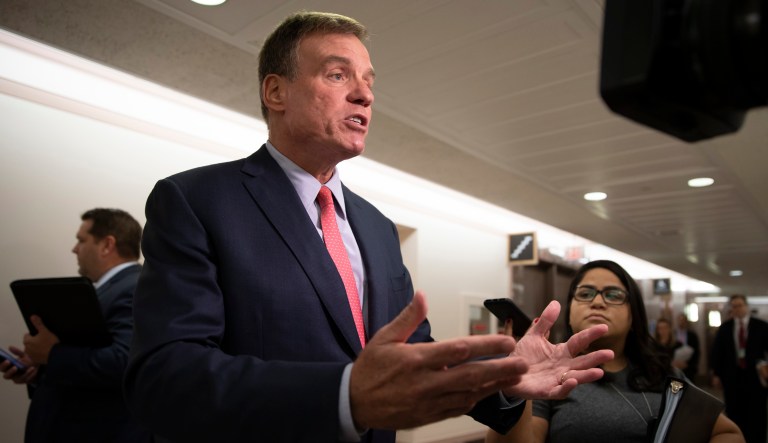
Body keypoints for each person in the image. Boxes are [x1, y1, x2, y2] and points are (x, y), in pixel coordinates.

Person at [123, 11, 613, 443]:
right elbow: (165, 379)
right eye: (338, 75)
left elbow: (414, 353)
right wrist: (344, 396)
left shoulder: (377, 228)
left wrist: (500, 376)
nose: (364, 94)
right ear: (275, 91)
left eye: (368, 81)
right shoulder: (197, 200)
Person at [486, 260, 743, 443]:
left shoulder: (663, 374)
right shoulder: (552, 380)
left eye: (613, 294)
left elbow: (728, 432)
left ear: (634, 316)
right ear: (571, 313)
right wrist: (516, 389)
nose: (598, 301)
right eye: (585, 293)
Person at [0, 208, 150, 443]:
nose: (74, 248)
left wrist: (51, 354)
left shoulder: (134, 289)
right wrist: (39, 368)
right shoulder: (110, 290)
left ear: (107, 245)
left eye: (81, 240)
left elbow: (124, 362)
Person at [710, 294, 768, 443]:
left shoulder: (761, 326)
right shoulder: (725, 328)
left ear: (746, 306)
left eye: (740, 305)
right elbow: (718, 352)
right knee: (735, 412)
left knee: (757, 413)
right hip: (732, 378)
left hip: (755, 378)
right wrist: (716, 374)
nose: (737, 309)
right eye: (734, 306)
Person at [674, 312, 700, 380]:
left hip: (688, 367)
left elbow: (696, 352)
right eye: (679, 320)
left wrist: (688, 364)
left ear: (686, 321)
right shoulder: (673, 334)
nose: (681, 322)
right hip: (675, 367)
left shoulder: (692, 335)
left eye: (683, 320)